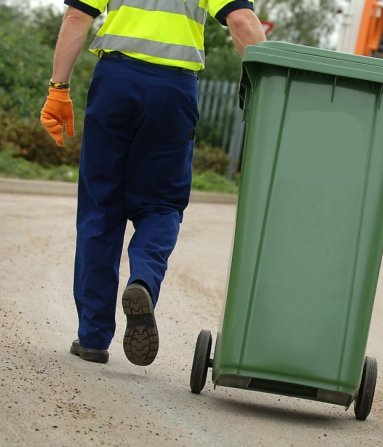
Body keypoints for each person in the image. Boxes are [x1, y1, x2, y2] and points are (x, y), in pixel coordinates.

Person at [40, 0, 266, 366]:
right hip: (172, 91)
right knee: (162, 204)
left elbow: (77, 16)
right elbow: (242, 21)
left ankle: (93, 337)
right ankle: (143, 280)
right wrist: (271, 90)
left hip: (116, 82)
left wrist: (58, 88)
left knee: (102, 207)